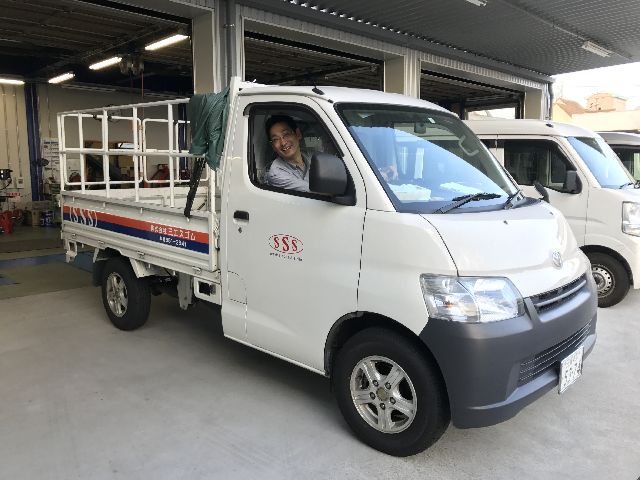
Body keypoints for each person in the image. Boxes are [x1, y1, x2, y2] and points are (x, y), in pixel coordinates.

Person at [264, 115, 311, 192]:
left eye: (286, 134)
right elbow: (315, 193)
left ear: (298, 134)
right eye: (275, 139)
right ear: (273, 146)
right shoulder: (276, 173)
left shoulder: (310, 157)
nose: (283, 143)